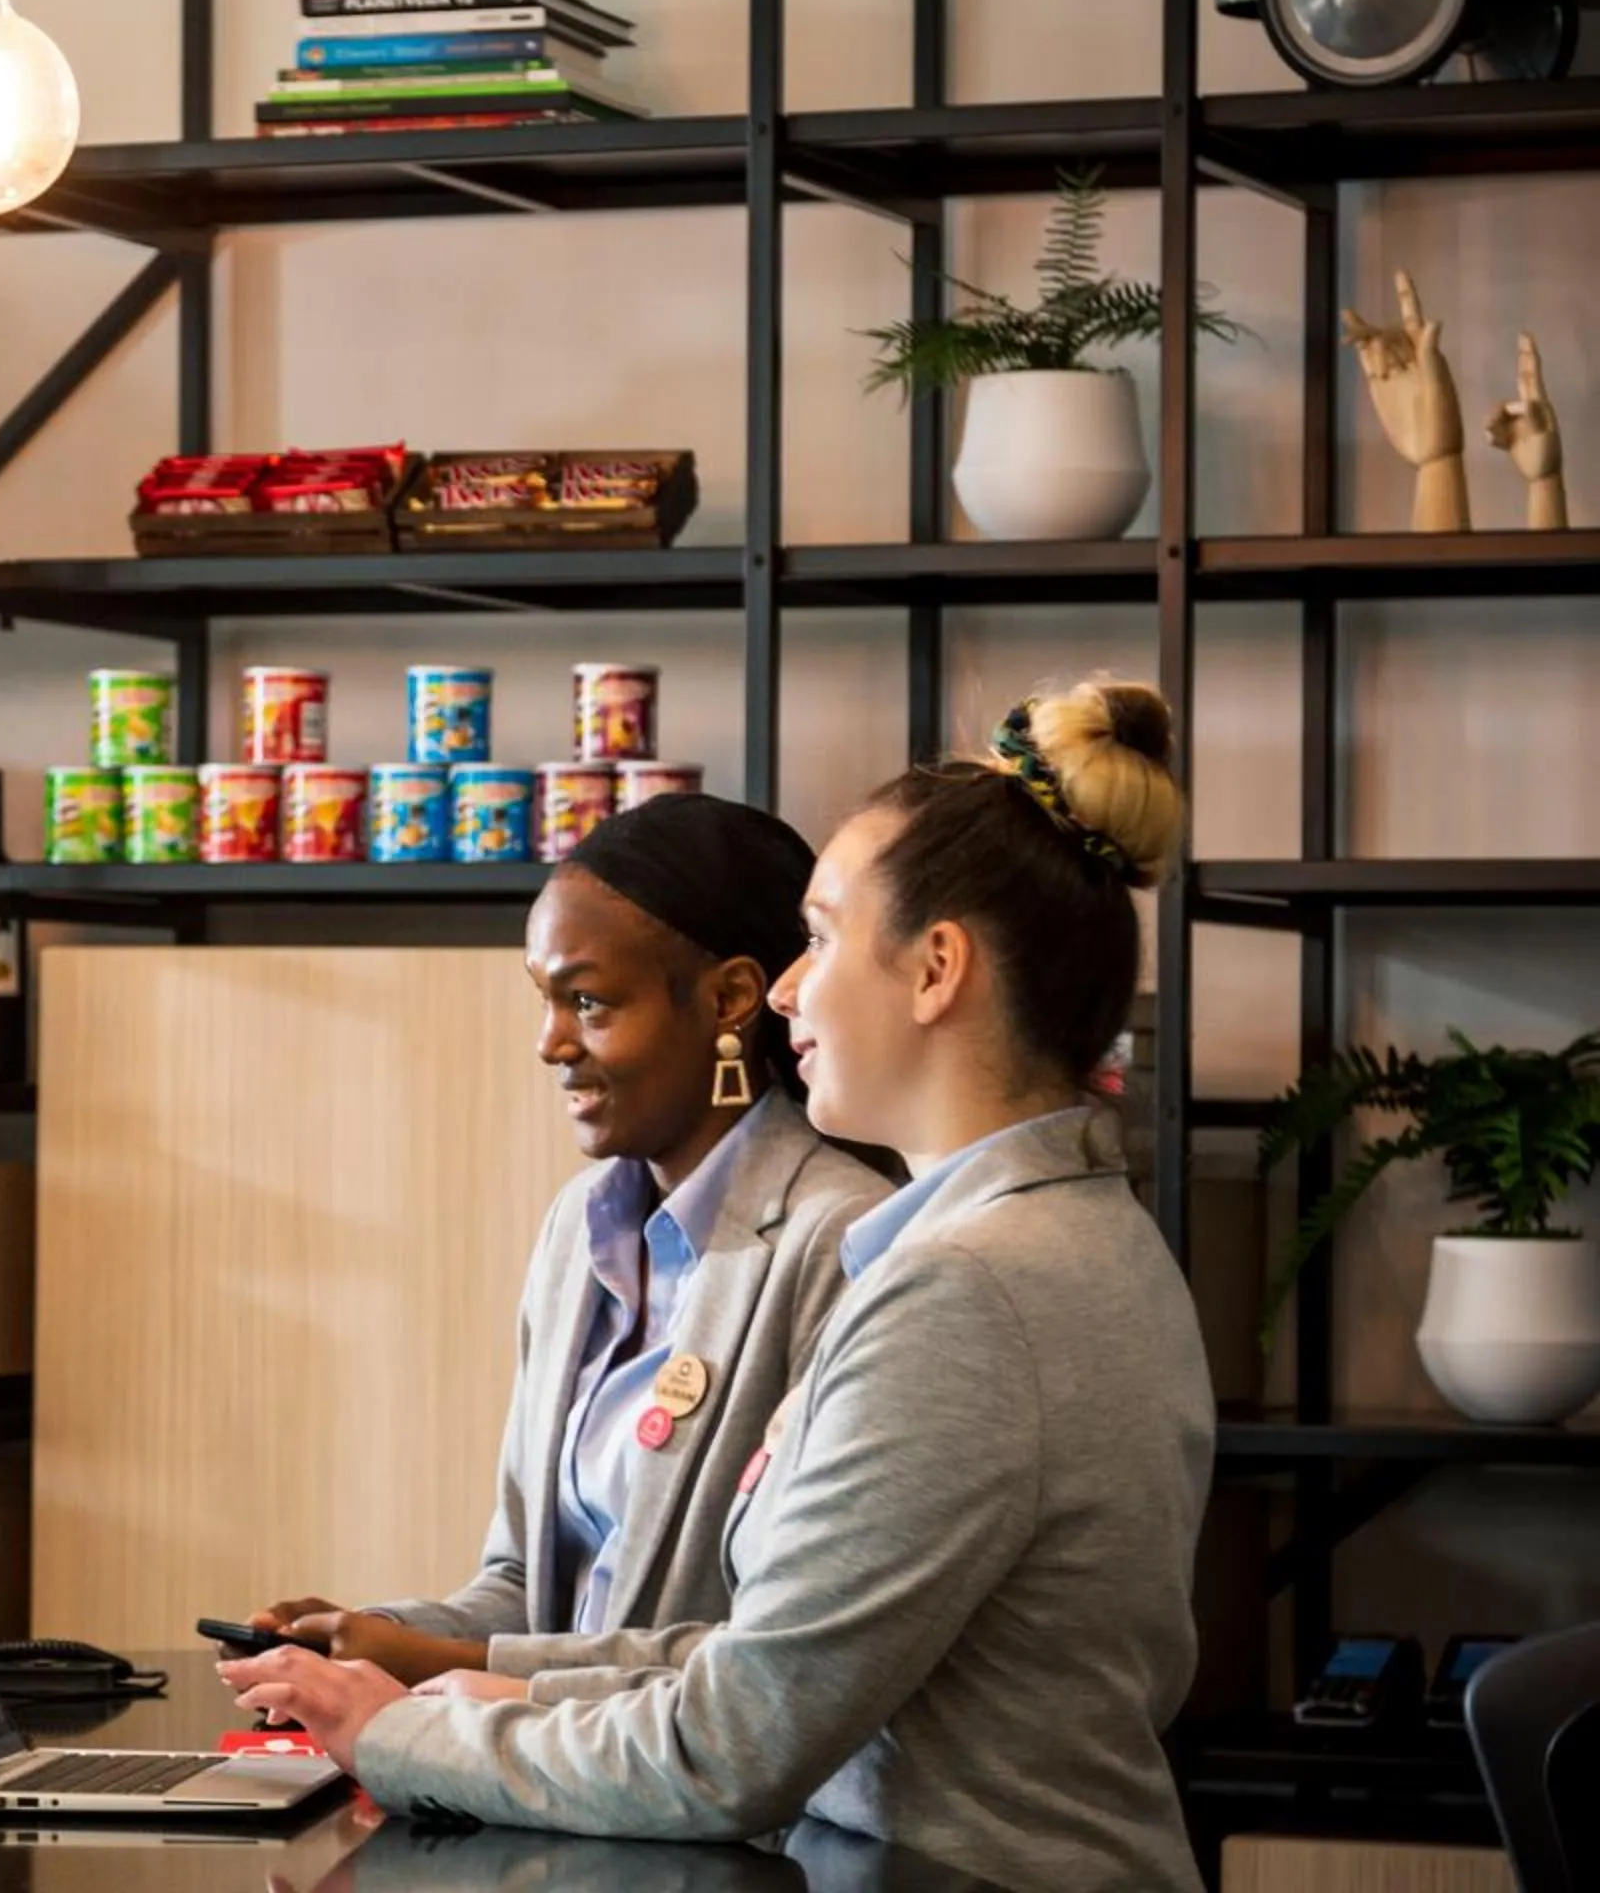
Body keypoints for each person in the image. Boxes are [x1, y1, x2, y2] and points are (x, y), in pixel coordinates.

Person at [223, 679, 1215, 1893]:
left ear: (935, 968)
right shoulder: (1065, 1237)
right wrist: (501, 1675)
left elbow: (731, 1746)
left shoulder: (965, 1291)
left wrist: (390, 1730)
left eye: (826, 937)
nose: (794, 987)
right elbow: (769, 1654)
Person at [241, 794, 890, 1686]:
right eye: (544, 1001)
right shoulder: (578, 1229)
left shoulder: (842, 1239)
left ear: (731, 999)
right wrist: (368, 1635)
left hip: (712, 1805)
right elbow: (525, 1590)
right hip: (558, 1774)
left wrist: (445, 1662)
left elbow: (777, 1662)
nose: (551, 1044)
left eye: (588, 1003)